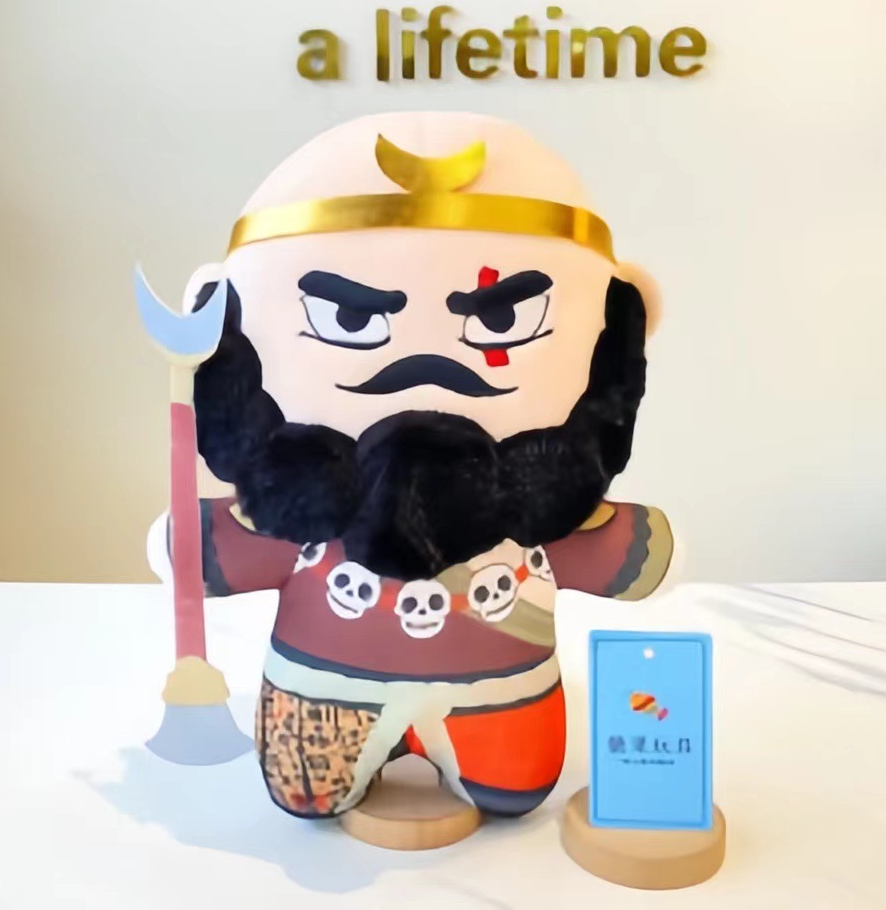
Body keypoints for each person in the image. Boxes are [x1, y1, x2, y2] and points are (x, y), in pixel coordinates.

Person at [149, 112, 673, 819]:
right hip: (323, 699)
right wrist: (185, 545)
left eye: (502, 320)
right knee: (308, 787)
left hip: (502, 699)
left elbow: (637, 558)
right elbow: (196, 555)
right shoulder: (296, 507)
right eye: (350, 320)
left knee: (512, 785)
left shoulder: (542, 508)